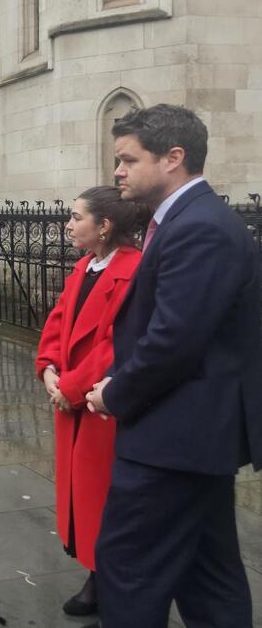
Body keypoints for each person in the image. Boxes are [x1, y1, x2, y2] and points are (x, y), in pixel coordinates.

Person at [84, 104, 262, 628]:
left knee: (128, 568)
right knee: (207, 575)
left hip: (175, 438)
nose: (117, 171)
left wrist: (113, 394)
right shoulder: (185, 220)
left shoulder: (200, 227)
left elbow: (174, 342)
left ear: (173, 158)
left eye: (127, 159)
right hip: (191, 437)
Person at [34, 186, 144, 619]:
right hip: (72, 399)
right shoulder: (83, 267)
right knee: (84, 490)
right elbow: (59, 321)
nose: (68, 224)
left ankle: (107, 577)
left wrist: (72, 387)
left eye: (77, 216)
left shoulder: (134, 270)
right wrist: (47, 367)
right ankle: (98, 570)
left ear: (104, 225)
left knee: (105, 495)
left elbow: (117, 342)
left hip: (100, 402)